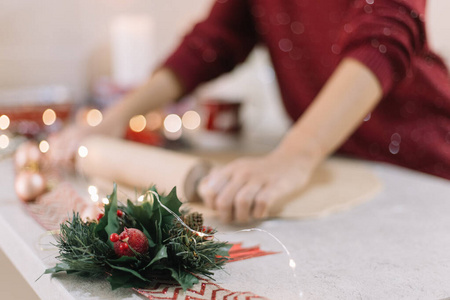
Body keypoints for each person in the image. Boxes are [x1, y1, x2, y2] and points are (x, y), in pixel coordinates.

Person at [50, 0, 450, 223]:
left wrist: (294, 156)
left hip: (428, 164)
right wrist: (113, 120)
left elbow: (385, 35)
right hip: (339, 157)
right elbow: (212, 43)